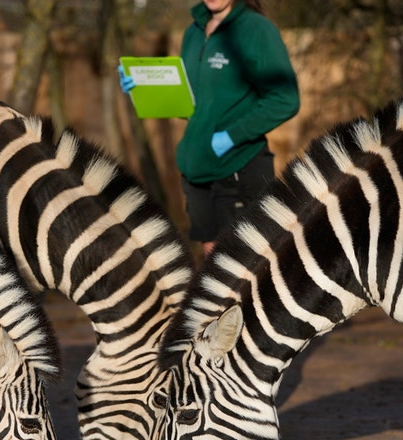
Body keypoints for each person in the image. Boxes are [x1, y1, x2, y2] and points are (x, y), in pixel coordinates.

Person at [120, 0, 300, 258]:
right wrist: (142, 86)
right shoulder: (193, 32)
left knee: (244, 264)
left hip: (238, 166)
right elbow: (193, 103)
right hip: (197, 171)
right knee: (212, 263)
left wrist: (232, 136)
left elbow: (285, 99)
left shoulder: (257, 30)